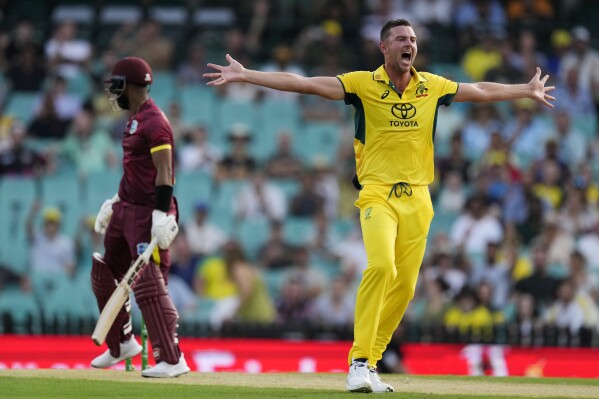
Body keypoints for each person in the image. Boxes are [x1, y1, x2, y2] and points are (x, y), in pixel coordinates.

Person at [204, 18, 555, 393]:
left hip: (419, 197)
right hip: (377, 194)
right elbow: (304, 84)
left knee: (404, 288)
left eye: (414, 39)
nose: (410, 44)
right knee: (381, 266)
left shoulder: (432, 86)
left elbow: (480, 90)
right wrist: (247, 75)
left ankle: (371, 362)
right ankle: (358, 360)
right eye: (401, 39)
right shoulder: (361, 84)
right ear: (383, 47)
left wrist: (525, 89)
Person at [91, 56, 188, 377]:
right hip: (126, 208)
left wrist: (161, 214)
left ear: (130, 86)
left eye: (117, 85)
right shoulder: (133, 119)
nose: (114, 92)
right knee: (105, 272)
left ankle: (173, 359)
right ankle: (122, 345)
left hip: (147, 212)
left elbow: (165, 172)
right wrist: (115, 200)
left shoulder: (155, 122)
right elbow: (136, 170)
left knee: (147, 281)